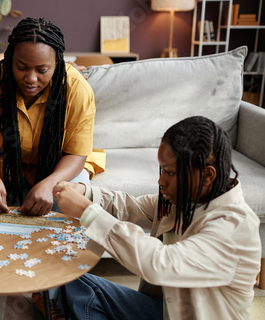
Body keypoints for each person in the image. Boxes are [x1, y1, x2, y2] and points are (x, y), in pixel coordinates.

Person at [53, 116, 261, 319]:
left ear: (207, 175)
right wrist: (85, 192)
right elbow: (129, 206)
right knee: (69, 281)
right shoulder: (184, 201)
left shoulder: (234, 226)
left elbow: (161, 263)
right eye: (161, 169)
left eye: (169, 172)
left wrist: (87, 212)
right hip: (160, 309)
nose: (160, 180)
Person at [0, 17, 102, 216]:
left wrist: (50, 183)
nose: (30, 78)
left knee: (74, 184)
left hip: (58, 167)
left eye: (42, 70)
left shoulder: (77, 89)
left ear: (56, 63)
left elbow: (77, 154)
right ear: (10, 59)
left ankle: (64, 245)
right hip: (3, 167)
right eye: (21, 67)